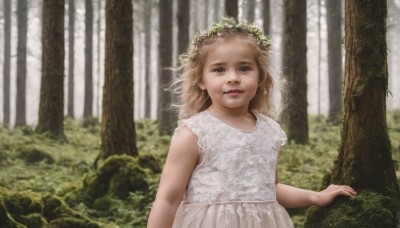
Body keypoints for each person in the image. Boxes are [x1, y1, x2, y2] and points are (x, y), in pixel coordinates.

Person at [147, 18, 356, 228]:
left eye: (244, 68)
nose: (233, 78)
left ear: (261, 77)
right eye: (219, 70)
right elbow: (168, 199)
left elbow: (270, 188)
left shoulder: (270, 131)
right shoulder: (194, 133)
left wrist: (316, 197)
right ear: (201, 80)